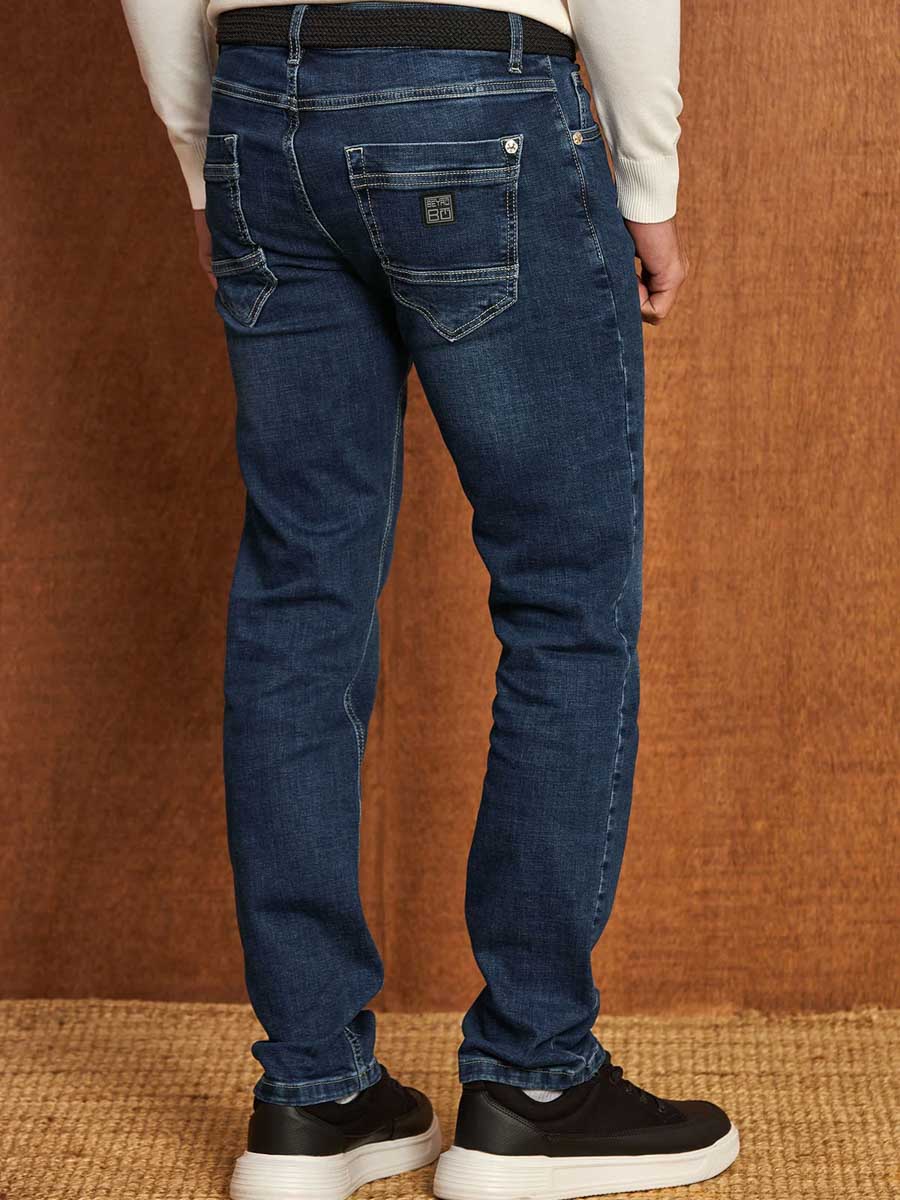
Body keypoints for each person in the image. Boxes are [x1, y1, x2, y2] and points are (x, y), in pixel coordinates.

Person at [121, 3, 739, 1198]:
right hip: (475, 92)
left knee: (299, 599)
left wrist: (205, 157)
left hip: (260, 110)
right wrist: (648, 180)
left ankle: (313, 1097)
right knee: (565, 602)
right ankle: (535, 1084)